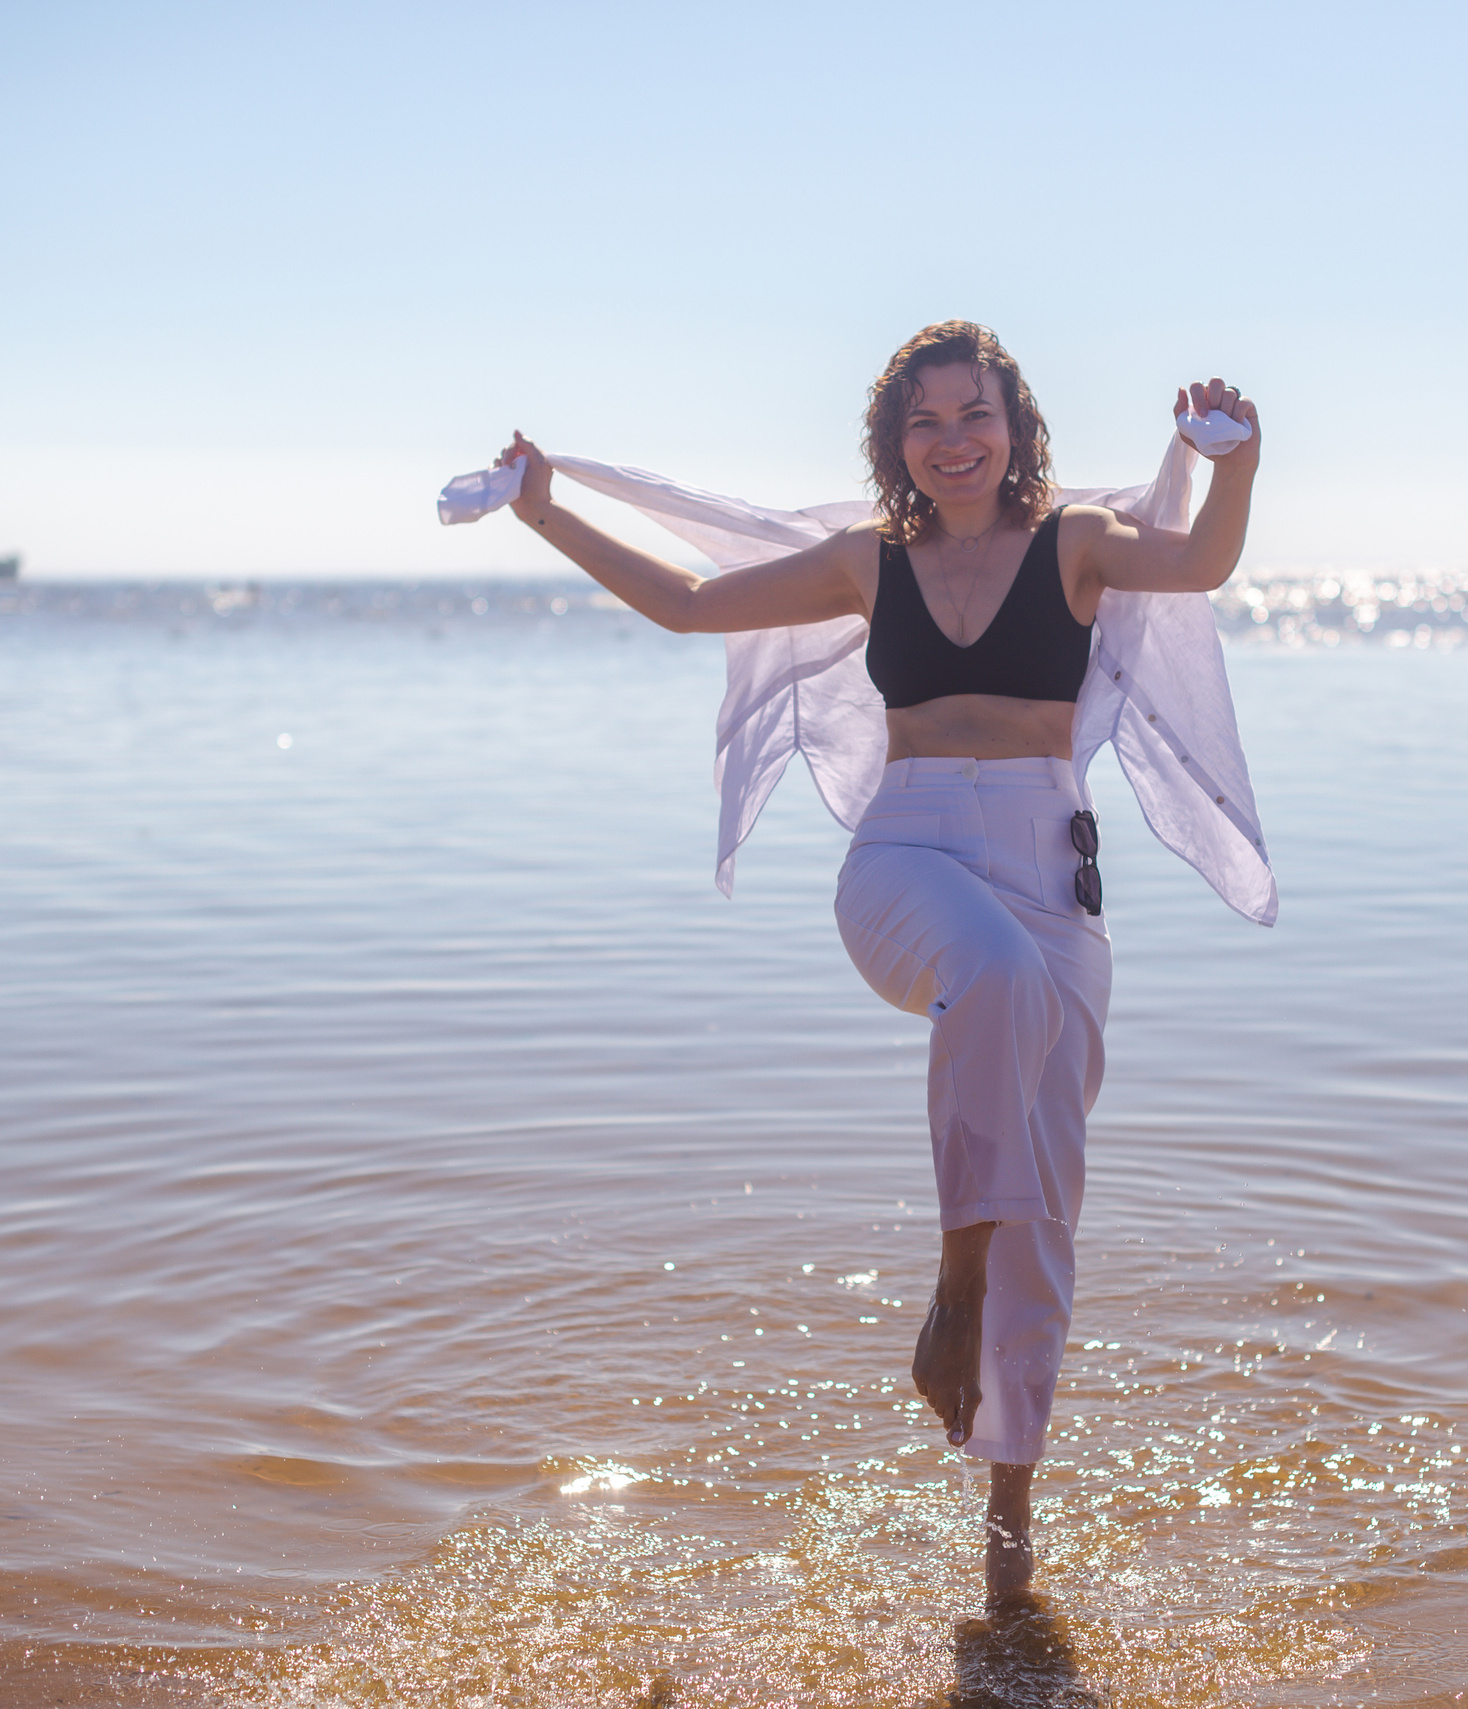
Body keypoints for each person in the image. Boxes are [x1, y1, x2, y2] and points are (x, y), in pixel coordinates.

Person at [491, 321, 1261, 1601]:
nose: (952, 440)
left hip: (1046, 868)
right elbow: (687, 603)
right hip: (904, 857)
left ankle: (1008, 1537)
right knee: (995, 984)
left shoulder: (1078, 544)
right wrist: (540, 508)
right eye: (924, 421)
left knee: (1049, 1213)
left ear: (1014, 426)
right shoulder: (869, 562)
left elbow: (1203, 563)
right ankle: (952, 1290)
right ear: (892, 442)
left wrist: (1234, 463)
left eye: (974, 414)